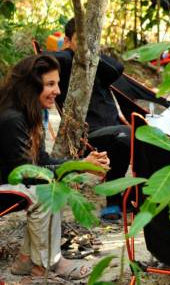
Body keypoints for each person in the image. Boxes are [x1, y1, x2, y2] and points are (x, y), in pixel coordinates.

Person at [0, 55, 109, 279]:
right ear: (31, 86)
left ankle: (27, 260)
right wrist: (79, 166)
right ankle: (48, 264)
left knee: (49, 184)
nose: (58, 90)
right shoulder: (11, 118)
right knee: (45, 192)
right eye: (50, 84)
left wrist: (83, 164)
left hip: (10, 181)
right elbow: (30, 175)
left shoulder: (31, 112)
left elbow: (40, 161)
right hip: (8, 182)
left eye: (57, 83)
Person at [52, 18, 131, 221]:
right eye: (82, 39)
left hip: (115, 127)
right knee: (126, 136)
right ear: (68, 40)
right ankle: (113, 199)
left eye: (92, 40)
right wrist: (72, 52)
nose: (87, 44)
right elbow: (46, 59)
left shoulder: (97, 66)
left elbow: (117, 70)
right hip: (90, 134)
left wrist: (89, 51)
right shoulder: (64, 62)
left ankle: (136, 194)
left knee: (144, 133)